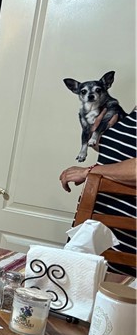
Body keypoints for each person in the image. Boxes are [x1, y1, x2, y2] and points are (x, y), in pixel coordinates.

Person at [59, 107, 136, 275]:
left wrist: (90, 171)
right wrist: (100, 136)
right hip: (96, 230)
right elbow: (125, 154)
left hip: (127, 243)